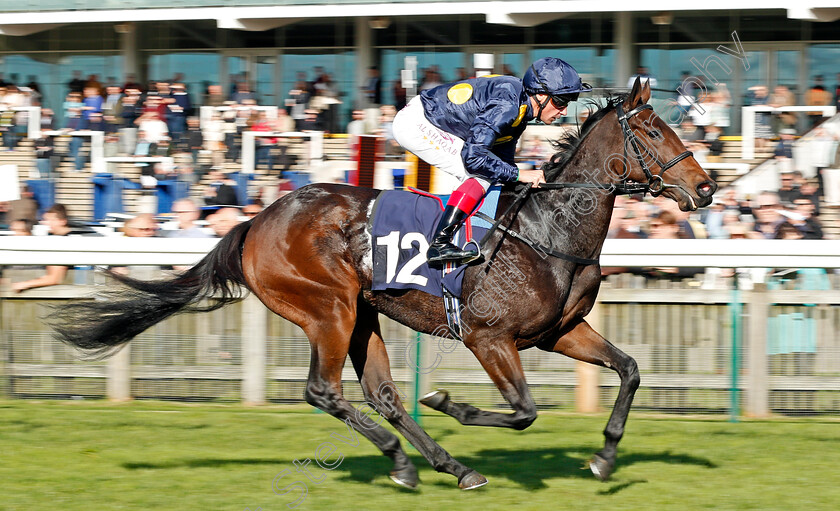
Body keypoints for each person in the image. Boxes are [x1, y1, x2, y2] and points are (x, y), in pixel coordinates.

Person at [393, 57, 590, 266]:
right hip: (417, 123)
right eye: (560, 101)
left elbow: (502, 160)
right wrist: (520, 174)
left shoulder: (522, 109)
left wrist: (517, 177)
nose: (565, 111)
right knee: (480, 173)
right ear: (540, 95)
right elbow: (474, 157)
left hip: (431, 120)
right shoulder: (508, 106)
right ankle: (440, 243)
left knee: (491, 172)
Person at [11, 204, 72, 292]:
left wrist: (24, 284)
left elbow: (54, 278)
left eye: (49, 220)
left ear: (62, 221)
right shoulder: (56, 239)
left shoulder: (61, 243)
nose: (44, 223)